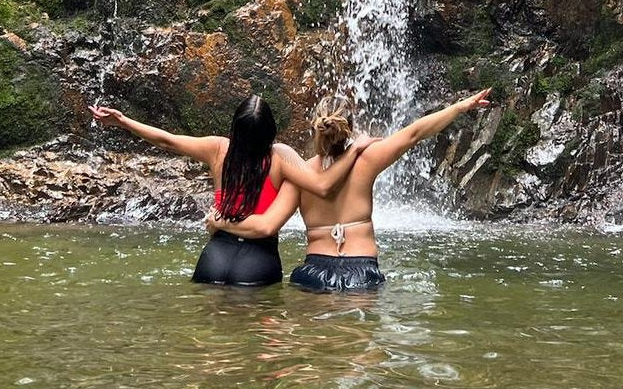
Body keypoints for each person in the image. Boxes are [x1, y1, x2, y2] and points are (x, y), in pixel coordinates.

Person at [207, 89, 492, 292]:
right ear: (350, 128)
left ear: (316, 127)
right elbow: (415, 133)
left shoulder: (301, 174)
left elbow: (266, 222)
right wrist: (459, 107)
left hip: (313, 273)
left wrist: (221, 222)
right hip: (361, 270)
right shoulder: (367, 159)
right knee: (356, 355)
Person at [89, 93, 371, 287]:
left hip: (214, 257)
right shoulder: (280, 157)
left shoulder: (218, 149)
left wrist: (122, 121)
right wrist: (354, 148)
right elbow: (323, 184)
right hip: (258, 263)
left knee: (215, 340)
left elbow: (167, 141)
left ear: (235, 129)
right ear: (270, 130)